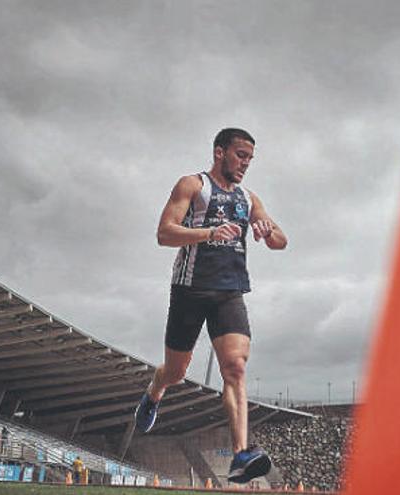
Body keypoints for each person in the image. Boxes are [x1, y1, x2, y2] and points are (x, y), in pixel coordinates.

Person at [135, 128, 287, 484]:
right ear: (220, 152)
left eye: (250, 158)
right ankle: (155, 391)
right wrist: (209, 233)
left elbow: (281, 241)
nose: (246, 163)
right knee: (175, 371)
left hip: (229, 292)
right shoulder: (193, 185)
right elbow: (164, 233)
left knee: (235, 367)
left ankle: (240, 455)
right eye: (240, 155)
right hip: (190, 290)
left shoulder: (249, 199)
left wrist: (267, 231)